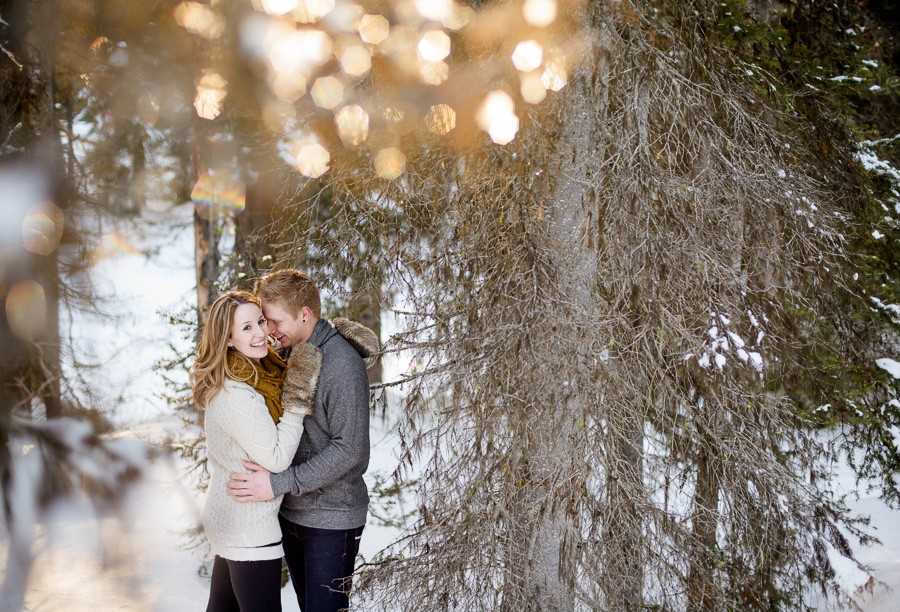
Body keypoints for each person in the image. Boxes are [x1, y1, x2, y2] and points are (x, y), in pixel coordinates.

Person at [226, 270, 378, 612]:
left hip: (331, 518)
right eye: (264, 320)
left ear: (304, 314)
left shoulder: (341, 364)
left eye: (274, 320)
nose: (268, 330)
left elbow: (350, 450)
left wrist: (278, 482)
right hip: (292, 511)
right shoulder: (287, 352)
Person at [192, 290, 321, 612]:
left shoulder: (252, 376)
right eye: (246, 328)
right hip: (249, 524)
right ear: (228, 339)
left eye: (260, 322)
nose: (261, 332)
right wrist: (296, 403)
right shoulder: (238, 394)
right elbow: (276, 459)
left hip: (230, 516)